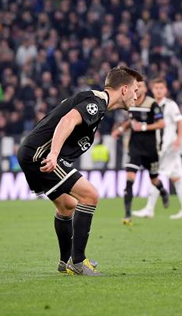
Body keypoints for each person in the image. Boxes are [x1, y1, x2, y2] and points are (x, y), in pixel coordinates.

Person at [17, 66, 143, 276]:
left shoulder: (96, 102)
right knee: (90, 195)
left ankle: (65, 261)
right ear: (123, 90)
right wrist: (54, 154)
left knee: (68, 206)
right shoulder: (97, 104)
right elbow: (67, 121)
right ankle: (78, 263)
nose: (136, 95)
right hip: (40, 154)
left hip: (33, 152)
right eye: (135, 89)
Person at [132, 78, 182, 219]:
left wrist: (178, 139)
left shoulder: (170, 105)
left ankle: (149, 209)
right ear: (152, 90)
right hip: (158, 147)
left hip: (169, 147)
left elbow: (181, 124)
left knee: (156, 175)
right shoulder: (151, 105)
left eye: (161, 88)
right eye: (156, 88)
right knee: (176, 178)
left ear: (165, 90)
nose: (159, 90)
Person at [112, 81, 169, 226]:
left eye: (140, 87)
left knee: (154, 180)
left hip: (150, 150)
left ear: (145, 89)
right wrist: (120, 130)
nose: (137, 89)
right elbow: (130, 122)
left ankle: (163, 191)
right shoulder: (131, 103)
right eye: (135, 87)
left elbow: (161, 124)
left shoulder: (152, 104)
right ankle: (127, 215)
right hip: (135, 148)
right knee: (129, 180)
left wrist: (143, 127)